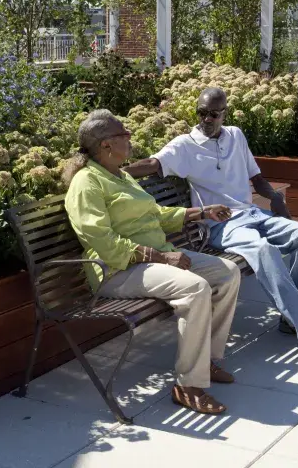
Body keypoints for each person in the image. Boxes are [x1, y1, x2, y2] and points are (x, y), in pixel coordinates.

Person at [124, 87, 298, 361]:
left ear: (223, 113)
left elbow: (257, 177)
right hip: (221, 225)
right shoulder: (185, 146)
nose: (206, 119)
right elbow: (152, 163)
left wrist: (275, 196)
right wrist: (111, 170)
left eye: (213, 114)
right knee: (263, 250)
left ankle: (292, 318)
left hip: (252, 214)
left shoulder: (236, 136)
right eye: (201, 113)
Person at [63, 109, 241, 416]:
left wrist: (199, 212)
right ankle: (188, 385)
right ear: (106, 144)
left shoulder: (122, 175)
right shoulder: (86, 183)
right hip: (116, 270)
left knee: (227, 272)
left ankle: (205, 360)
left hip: (153, 261)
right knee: (196, 288)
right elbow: (101, 240)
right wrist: (160, 256)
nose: (130, 139)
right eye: (125, 135)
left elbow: (156, 215)